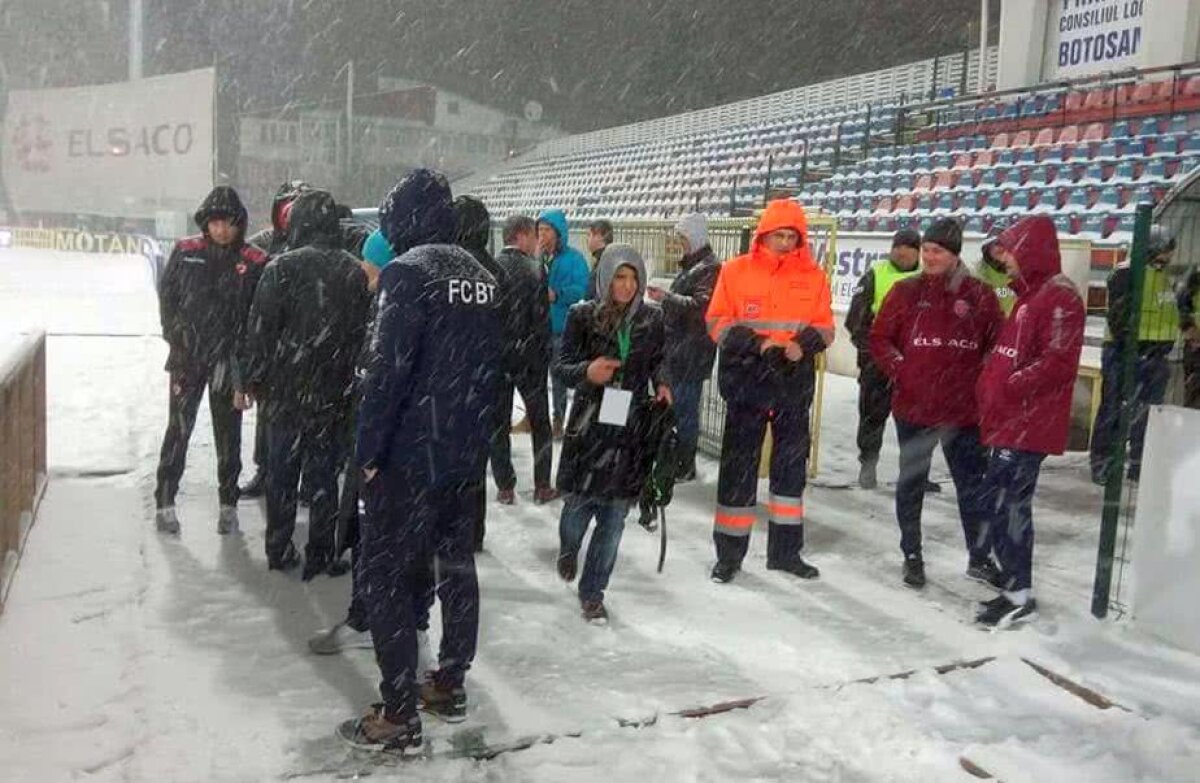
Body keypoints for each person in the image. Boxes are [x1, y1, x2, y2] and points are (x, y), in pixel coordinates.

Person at [341, 169, 501, 753]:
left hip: (409, 457)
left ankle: (399, 711)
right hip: (461, 457)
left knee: (385, 574)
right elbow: (492, 373)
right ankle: (449, 681)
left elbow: (387, 372)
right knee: (454, 566)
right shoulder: (483, 275)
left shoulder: (408, 274)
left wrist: (367, 453)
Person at [869, 217, 1004, 589]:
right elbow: (879, 338)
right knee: (911, 483)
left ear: (954, 254)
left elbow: (998, 345)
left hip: (963, 411)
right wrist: (902, 369)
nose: (928, 256)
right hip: (914, 407)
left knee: (972, 487)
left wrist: (982, 379)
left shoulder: (979, 295)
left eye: (937, 251)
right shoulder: (905, 292)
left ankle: (980, 557)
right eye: (926, 250)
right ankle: (912, 554)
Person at [705, 199, 833, 584]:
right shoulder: (735, 271)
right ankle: (729, 555)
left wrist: (804, 345)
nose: (784, 241)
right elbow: (717, 322)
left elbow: (826, 327)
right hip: (748, 382)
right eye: (779, 234)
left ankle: (785, 553)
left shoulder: (814, 276)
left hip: (792, 384)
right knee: (738, 470)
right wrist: (758, 343)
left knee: (790, 473)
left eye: (791, 235)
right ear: (763, 234)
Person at [245, 189, 372, 577]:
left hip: (285, 391)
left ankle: (279, 548)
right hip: (333, 392)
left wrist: (254, 379)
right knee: (323, 478)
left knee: (282, 474)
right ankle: (322, 551)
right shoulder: (353, 270)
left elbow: (260, 331)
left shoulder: (279, 268)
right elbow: (361, 335)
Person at [975, 216, 1085, 627]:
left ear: (1029, 249)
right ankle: (1013, 584)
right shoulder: (1030, 295)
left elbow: (1057, 363)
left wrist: (1009, 385)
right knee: (999, 504)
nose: (1004, 261)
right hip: (1011, 419)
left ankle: (1019, 590)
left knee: (1008, 505)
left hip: (1028, 423)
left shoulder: (1058, 297)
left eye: (1008, 251)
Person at [554, 244, 670, 622]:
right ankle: (569, 548)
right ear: (605, 278)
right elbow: (561, 365)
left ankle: (593, 592)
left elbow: (658, 360)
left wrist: (663, 383)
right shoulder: (582, 316)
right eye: (619, 277)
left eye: (633, 277)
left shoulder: (651, 320)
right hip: (590, 424)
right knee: (577, 507)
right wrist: (586, 371)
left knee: (615, 516)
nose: (627, 285)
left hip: (630, 428)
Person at [154, 186, 267, 535]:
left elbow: (257, 318)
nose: (221, 230)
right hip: (187, 360)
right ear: (205, 222)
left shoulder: (253, 261)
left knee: (228, 436)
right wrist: (177, 337)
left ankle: (228, 504)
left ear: (240, 224)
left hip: (228, 364)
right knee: (179, 431)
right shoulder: (186, 251)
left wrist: (244, 372)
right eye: (215, 222)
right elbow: (167, 299)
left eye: (228, 224)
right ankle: (165, 500)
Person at [1090, 225, 1179, 483]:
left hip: (1156, 355)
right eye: (1165, 251)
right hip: (1125, 351)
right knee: (1114, 409)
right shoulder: (1126, 273)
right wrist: (1132, 347)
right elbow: (1118, 316)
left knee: (1148, 414)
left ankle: (1139, 464)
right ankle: (1104, 464)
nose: (1169, 257)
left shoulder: (1162, 275)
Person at [240, 180, 312, 499]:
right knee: (268, 420)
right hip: (275, 347)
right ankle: (266, 470)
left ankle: (307, 481)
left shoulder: (314, 248)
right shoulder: (266, 245)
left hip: (308, 346)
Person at [487, 214, 558, 505]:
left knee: (497, 423)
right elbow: (542, 321)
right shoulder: (534, 270)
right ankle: (542, 485)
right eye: (533, 236)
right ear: (521, 236)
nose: (536, 242)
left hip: (499, 358)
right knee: (540, 423)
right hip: (530, 358)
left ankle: (505, 485)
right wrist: (542, 354)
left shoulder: (490, 269)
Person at [844, 228, 921, 489]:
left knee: (916, 423)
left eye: (909, 247)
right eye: (898, 246)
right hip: (878, 363)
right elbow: (855, 320)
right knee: (872, 417)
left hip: (916, 366)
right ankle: (868, 465)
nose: (902, 251)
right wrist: (873, 354)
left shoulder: (929, 278)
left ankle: (915, 473)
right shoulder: (875, 274)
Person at [646, 212, 720, 481]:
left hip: (693, 353)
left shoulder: (709, 268)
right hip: (680, 350)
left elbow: (700, 310)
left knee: (685, 411)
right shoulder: (694, 267)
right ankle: (677, 458)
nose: (681, 243)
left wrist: (667, 298)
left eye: (684, 238)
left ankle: (685, 464)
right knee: (677, 409)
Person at [538, 209, 591, 438]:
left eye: (547, 230)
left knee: (560, 378)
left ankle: (559, 420)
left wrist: (557, 295)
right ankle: (540, 419)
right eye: (539, 230)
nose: (542, 234)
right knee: (539, 378)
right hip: (540, 329)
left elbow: (582, 289)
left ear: (559, 233)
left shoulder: (574, 259)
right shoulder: (537, 258)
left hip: (562, 329)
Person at [1178, 262, 1200, 409]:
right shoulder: (1194, 281)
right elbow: (1183, 311)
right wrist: (1192, 335)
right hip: (1196, 345)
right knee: (1194, 388)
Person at [977, 236, 1017, 317]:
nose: (1003, 259)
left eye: (1003, 251)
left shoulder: (1021, 270)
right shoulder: (983, 272)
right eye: (999, 253)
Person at [585, 218, 614, 300]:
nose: (587, 239)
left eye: (589, 235)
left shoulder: (604, 263)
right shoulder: (606, 258)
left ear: (600, 236)